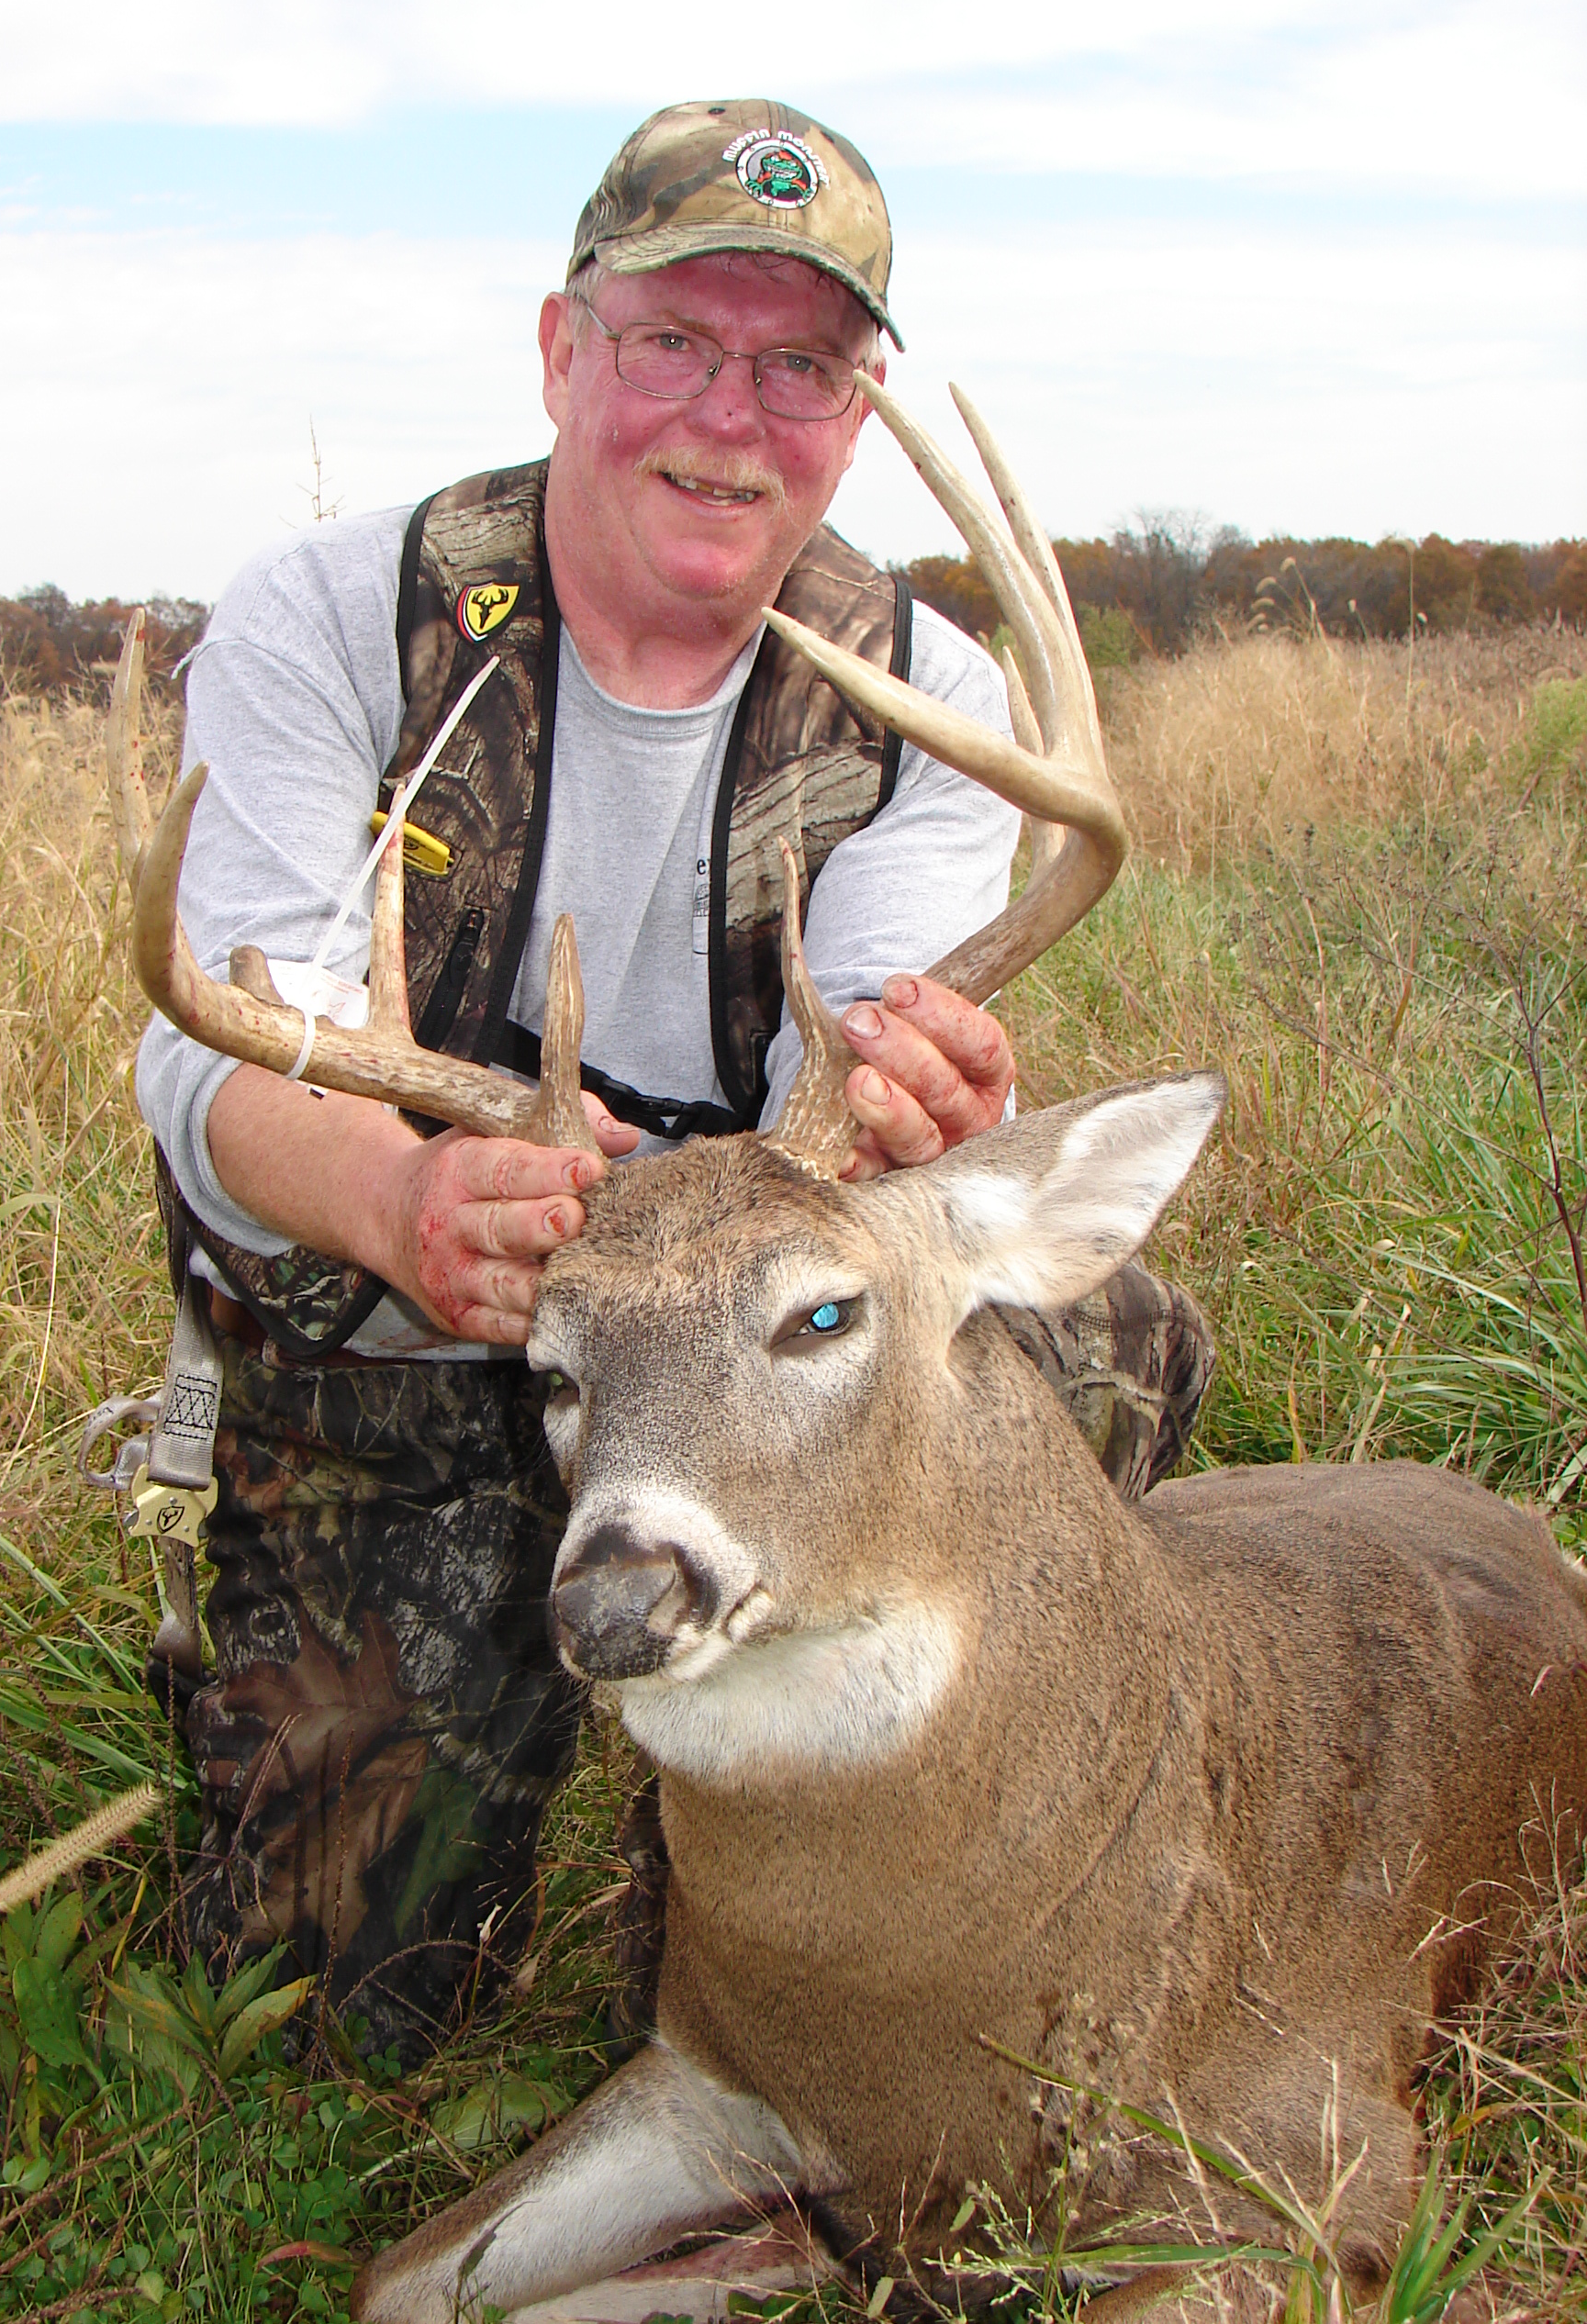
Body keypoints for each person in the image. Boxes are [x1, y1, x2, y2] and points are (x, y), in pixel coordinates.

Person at [132, 100, 1213, 2060]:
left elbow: (860, 1054)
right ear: (566, 348)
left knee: (1099, 1331)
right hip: (418, 1335)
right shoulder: (333, 621)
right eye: (675, 342)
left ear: (859, 403)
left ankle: (875, 1821)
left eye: (800, 365)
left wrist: (904, 1093)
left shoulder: (926, 695)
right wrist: (395, 1202)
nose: (732, 416)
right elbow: (217, 1046)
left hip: (748, 1351)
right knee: (321, 2006)